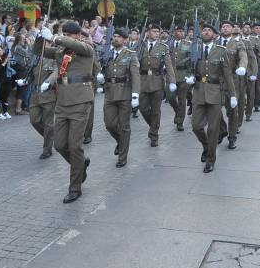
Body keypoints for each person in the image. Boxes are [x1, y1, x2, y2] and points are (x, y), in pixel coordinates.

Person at [42, 21, 94, 203]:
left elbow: (72, 44)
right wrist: (40, 36)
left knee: (74, 145)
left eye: (67, 34)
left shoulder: (86, 48)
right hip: (63, 100)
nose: (64, 37)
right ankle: (80, 164)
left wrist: (55, 37)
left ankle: (75, 187)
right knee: (60, 144)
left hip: (80, 100)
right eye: (62, 33)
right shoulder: (60, 51)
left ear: (77, 35)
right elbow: (38, 52)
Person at [187, 24, 237, 173]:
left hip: (215, 92)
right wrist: (190, 77)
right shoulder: (194, 49)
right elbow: (189, 67)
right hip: (198, 92)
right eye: (204, 30)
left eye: (209, 30)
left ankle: (210, 159)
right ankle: (207, 146)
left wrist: (233, 95)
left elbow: (227, 74)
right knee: (196, 127)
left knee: (213, 129)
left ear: (214, 35)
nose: (206, 32)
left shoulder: (221, 51)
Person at [101, 28, 140, 168]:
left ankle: (122, 157)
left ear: (125, 40)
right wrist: (100, 78)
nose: (116, 39)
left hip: (125, 93)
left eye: (119, 37)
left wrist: (135, 94)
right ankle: (120, 142)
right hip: (110, 93)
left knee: (124, 126)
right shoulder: (107, 53)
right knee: (109, 124)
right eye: (114, 36)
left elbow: (135, 74)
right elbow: (102, 68)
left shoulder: (130, 54)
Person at [137, 24, 176, 147]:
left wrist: (172, 82)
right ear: (148, 33)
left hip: (157, 81)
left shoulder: (163, 47)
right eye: (154, 31)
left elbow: (168, 66)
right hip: (142, 81)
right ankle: (153, 125)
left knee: (155, 111)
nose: (156, 33)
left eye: (158, 32)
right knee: (142, 108)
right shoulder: (140, 46)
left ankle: (154, 134)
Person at [216, 22, 247, 149]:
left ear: (232, 29)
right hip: (216, 81)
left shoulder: (237, 43)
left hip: (232, 82)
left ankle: (232, 136)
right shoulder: (215, 42)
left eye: (228, 27)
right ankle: (222, 129)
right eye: (223, 27)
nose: (225, 28)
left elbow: (243, 56)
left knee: (232, 111)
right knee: (214, 110)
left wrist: (242, 67)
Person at [29, 37, 58, 159]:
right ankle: (51, 137)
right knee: (34, 120)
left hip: (48, 94)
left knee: (48, 123)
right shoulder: (36, 56)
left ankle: (47, 149)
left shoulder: (55, 56)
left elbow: (57, 71)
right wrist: (25, 80)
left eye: (44, 42)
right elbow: (31, 72)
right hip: (35, 94)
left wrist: (49, 81)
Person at [168, 26, 192, 131]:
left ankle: (180, 121)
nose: (181, 33)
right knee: (170, 97)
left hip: (183, 74)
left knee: (182, 99)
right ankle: (178, 112)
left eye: (183, 31)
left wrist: (190, 75)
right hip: (171, 75)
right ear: (174, 32)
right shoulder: (168, 44)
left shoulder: (188, 44)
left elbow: (192, 59)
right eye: (179, 31)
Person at [0, 45, 12, 119]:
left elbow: (8, 51)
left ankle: (5, 112)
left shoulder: (3, 57)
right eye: (0, 50)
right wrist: (5, 62)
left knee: (5, 96)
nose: (2, 51)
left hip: (7, 79)